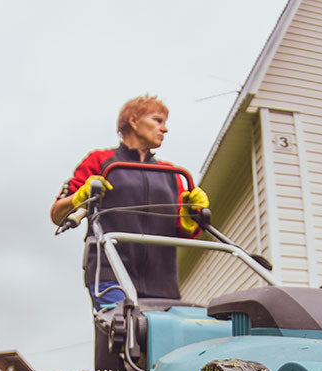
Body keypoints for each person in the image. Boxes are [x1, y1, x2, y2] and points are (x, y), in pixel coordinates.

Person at [50, 95, 208, 310]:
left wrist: (192, 218)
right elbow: (57, 215)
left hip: (162, 282)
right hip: (110, 273)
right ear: (134, 121)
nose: (165, 129)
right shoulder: (100, 161)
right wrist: (80, 197)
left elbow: (184, 230)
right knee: (128, 334)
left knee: (163, 340)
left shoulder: (171, 173)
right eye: (157, 120)